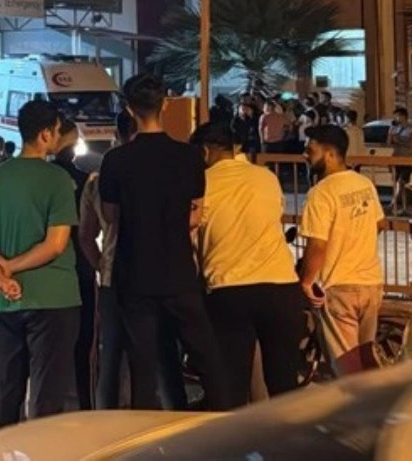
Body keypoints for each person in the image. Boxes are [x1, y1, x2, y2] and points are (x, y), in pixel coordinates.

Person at [98, 74, 233, 411]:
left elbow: (111, 217)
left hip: (135, 274)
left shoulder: (116, 160)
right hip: (179, 272)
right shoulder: (189, 157)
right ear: (165, 106)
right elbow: (195, 215)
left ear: (129, 109)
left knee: (142, 366)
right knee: (207, 357)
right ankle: (223, 421)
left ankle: (145, 430)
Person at [0, 100, 81, 427]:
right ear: (45, 134)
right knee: (47, 393)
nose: (59, 138)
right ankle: (39, 449)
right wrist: (12, 267)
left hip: (7, 300)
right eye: (58, 132)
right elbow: (56, 244)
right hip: (54, 297)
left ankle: (3, 446)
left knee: (7, 387)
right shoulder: (57, 179)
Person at [191, 123, 307, 404]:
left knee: (230, 385)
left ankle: (236, 432)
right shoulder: (266, 177)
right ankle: (289, 431)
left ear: (204, 151)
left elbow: (191, 234)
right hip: (281, 287)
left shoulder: (200, 183)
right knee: (284, 383)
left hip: (229, 291)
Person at [298, 124, 385, 370]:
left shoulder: (321, 193)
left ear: (330, 154)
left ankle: (357, 398)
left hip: (339, 287)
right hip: (371, 283)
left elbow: (317, 245)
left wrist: (306, 282)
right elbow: (379, 223)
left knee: (348, 368)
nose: (305, 155)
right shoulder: (364, 183)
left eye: (310, 150)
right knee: (368, 361)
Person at [78, 111, 136, 409]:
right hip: (154, 276)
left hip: (112, 275)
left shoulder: (97, 180)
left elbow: (86, 236)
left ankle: (107, 417)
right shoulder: (157, 173)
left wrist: (101, 265)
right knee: (150, 355)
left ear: (117, 135)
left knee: (109, 354)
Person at [52, 115, 96, 410]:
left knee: (52, 346)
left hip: (52, 269)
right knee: (84, 342)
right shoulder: (86, 180)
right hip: (81, 265)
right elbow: (94, 228)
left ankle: (50, 408)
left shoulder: (44, 178)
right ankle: (85, 403)